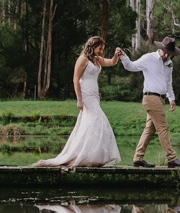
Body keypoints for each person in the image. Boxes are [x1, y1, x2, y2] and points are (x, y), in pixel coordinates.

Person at [32, 36, 122, 167]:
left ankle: (90, 155)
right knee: (98, 120)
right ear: (92, 46)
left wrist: (116, 55)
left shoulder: (96, 59)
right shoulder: (83, 59)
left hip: (95, 95)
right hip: (86, 95)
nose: (101, 51)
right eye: (100, 48)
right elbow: (76, 79)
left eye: (103, 48)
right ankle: (88, 155)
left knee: (91, 123)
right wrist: (79, 99)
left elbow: (112, 62)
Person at [115, 37, 180, 168]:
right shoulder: (148, 58)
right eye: (165, 52)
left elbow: (168, 83)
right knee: (163, 127)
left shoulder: (169, 64)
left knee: (150, 129)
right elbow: (131, 66)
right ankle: (172, 159)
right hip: (151, 98)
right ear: (160, 48)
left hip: (160, 99)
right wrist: (124, 57)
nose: (166, 55)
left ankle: (138, 158)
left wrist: (171, 98)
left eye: (169, 53)